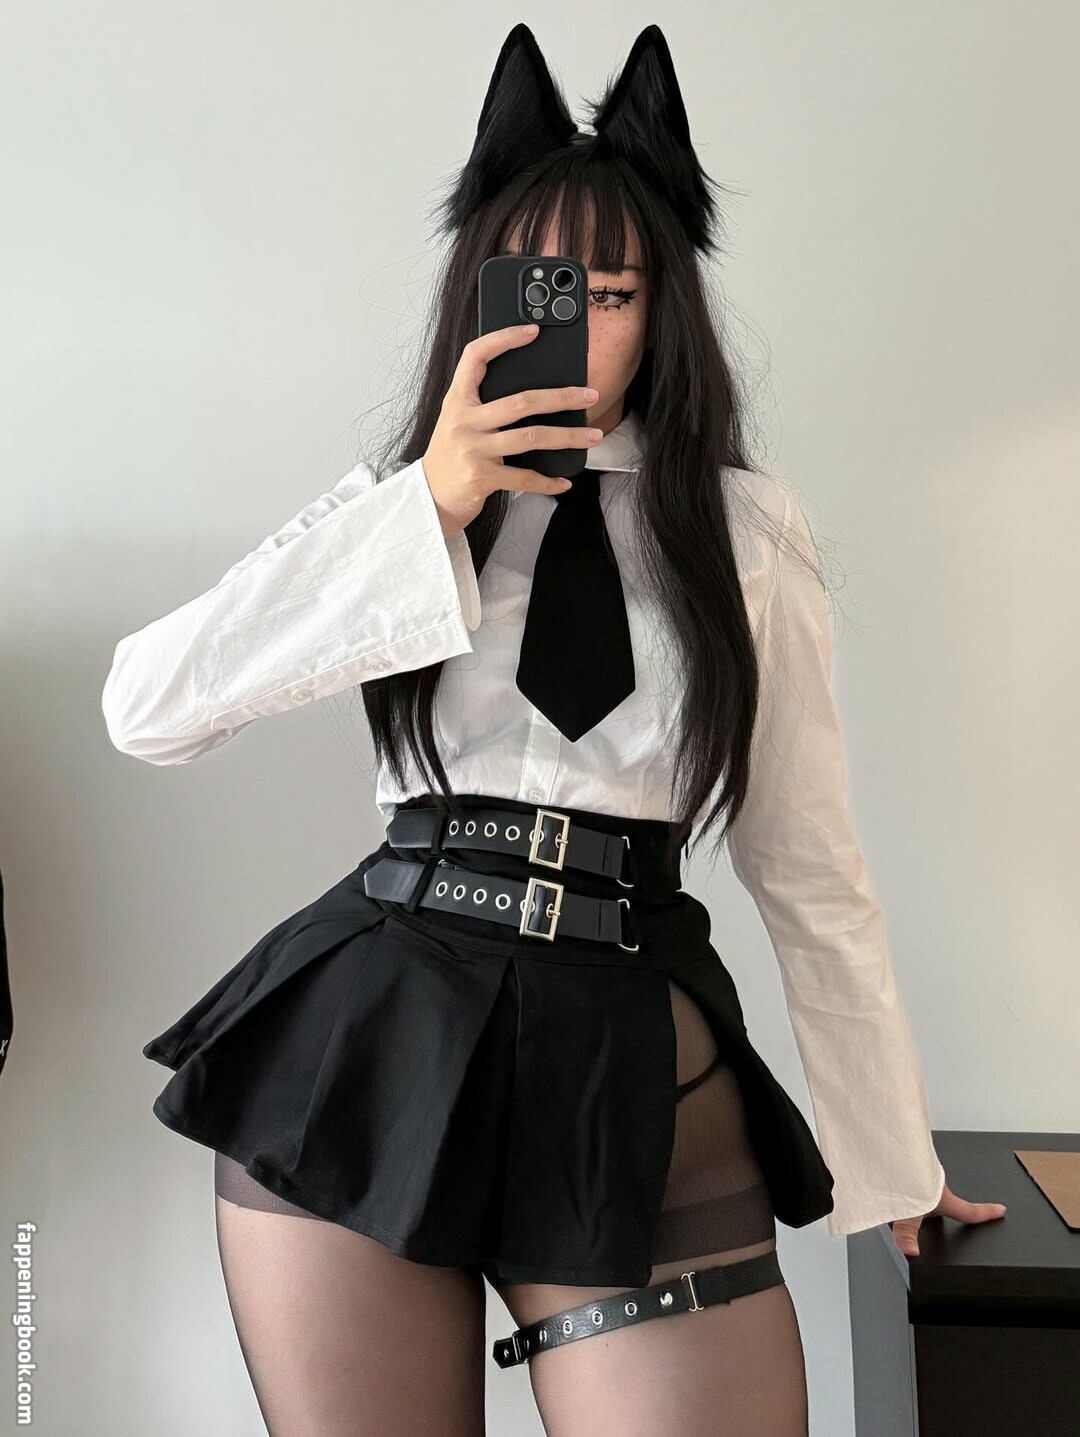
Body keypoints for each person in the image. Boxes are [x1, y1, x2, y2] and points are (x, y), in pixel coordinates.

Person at [101, 23, 1005, 1436]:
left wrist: (889, 1156)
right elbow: (147, 707)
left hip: (629, 1045)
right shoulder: (396, 509)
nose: (571, 319)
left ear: (665, 308)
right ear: (476, 295)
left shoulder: (747, 532)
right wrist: (429, 504)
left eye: (612, 290)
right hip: (382, 1025)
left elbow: (809, 865)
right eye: (535, 284)